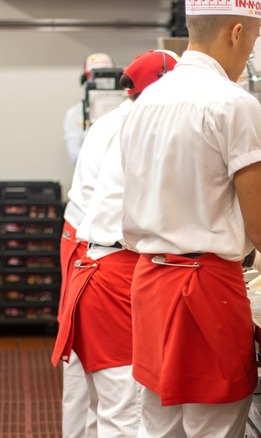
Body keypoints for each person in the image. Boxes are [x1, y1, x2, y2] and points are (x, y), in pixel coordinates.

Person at [119, 3, 261, 436]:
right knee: (212, 429)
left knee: (158, 428)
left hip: (150, 286)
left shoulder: (146, 101)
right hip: (205, 292)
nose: (250, 52)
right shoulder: (233, 103)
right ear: (236, 33)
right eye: (253, 40)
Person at [52, 50, 179, 437]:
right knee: (124, 407)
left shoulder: (121, 119)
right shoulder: (142, 129)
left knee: (101, 399)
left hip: (94, 256)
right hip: (108, 262)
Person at [59, 53, 117, 438]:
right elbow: (75, 156)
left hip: (104, 240)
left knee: (102, 363)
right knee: (80, 352)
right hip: (83, 237)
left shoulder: (132, 118)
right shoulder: (79, 117)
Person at [63, 52, 114, 165]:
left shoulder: (127, 110)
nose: (101, 82)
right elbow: (75, 157)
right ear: (84, 80)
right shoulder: (75, 114)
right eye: (95, 76)